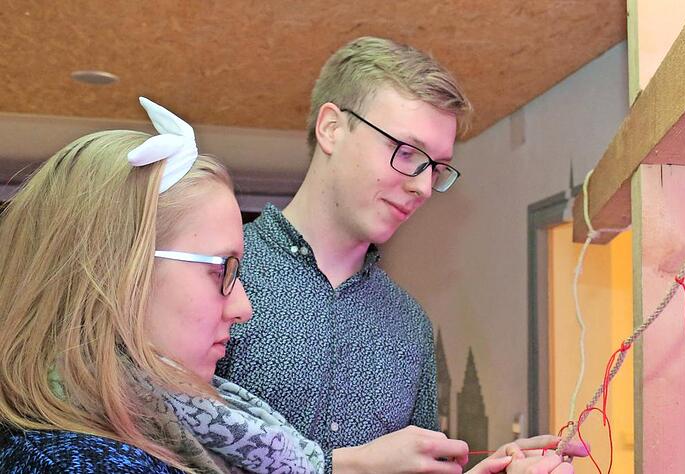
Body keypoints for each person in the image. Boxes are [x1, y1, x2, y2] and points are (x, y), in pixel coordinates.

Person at [216, 36, 585, 473]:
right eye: (407, 153)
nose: (423, 186)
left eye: (436, 167)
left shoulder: (409, 325)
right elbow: (155, 455)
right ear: (332, 128)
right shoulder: (216, 276)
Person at [0, 98, 324, 473]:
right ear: (120, 271)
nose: (243, 307)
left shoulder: (170, 431)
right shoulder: (73, 462)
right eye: (223, 269)